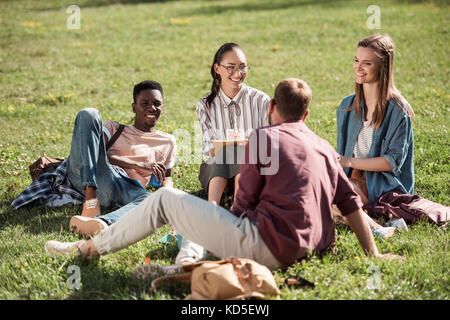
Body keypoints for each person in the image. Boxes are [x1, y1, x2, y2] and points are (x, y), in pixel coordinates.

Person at [45, 78, 404, 275]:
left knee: (168, 200)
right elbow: (350, 203)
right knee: (195, 216)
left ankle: (90, 249)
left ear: (272, 108)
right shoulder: (325, 147)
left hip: (266, 246)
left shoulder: (263, 137)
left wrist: (224, 225)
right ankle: (184, 266)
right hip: (305, 250)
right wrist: (371, 254)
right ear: (307, 113)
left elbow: (244, 202)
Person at [12, 80, 176, 237]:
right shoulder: (114, 128)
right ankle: (91, 200)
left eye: (157, 103)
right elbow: (94, 152)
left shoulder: (168, 141)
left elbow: (167, 176)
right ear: (134, 107)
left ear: (163, 107)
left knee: (150, 200)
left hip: (125, 190)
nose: (152, 108)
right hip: (95, 177)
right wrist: (139, 164)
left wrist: (165, 190)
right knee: (89, 113)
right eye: (145, 103)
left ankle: (101, 222)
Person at [335, 34, 414, 238]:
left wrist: (348, 161)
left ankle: (376, 228)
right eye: (356, 61)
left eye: (366, 63)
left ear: (382, 67)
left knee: (330, 196)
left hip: (382, 184)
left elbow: (391, 162)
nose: (358, 68)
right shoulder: (347, 106)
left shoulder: (398, 110)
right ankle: (382, 223)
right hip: (351, 178)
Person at [196, 43, 270, 205]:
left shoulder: (261, 101)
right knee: (230, 151)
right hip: (215, 172)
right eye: (230, 67)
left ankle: (239, 205)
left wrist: (246, 145)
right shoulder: (205, 105)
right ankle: (213, 207)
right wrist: (232, 146)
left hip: (253, 171)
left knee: (242, 154)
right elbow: (209, 149)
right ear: (217, 69)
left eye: (242, 67)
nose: (238, 73)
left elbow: (269, 146)